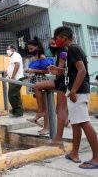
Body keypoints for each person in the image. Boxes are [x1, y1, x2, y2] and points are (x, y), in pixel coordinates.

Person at [50, 26, 98, 169]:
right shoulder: (73, 50)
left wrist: (74, 91)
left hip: (77, 92)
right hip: (75, 90)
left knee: (83, 122)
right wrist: (57, 69)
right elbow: (72, 70)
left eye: (57, 38)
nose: (55, 41)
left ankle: (96, 157)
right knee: (76, 123)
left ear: (64, 38)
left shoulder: (72, 49)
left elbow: (82, 70)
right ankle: (74, 153)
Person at [31, 40, 68, 145]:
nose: (51, 46)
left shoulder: (62, 53)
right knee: (38, 86)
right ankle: (41, 112)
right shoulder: (58, 54)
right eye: (50, 44)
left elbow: (60, 71)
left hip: (63, 82)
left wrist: (52, 69)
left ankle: (58, 136)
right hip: (59, 81)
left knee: (60, 109)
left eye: (53, 43)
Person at [25, 37, 54, 135]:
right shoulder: (33, 58)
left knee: (45, 106)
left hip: (42, 80)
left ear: (37, 47)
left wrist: (33, 70)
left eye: (31, 49)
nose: (30, 51)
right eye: (29, 49)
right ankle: (45, 126)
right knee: (42, 105)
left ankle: (47, 127)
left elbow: (47, 70)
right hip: (35, 81)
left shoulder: (42, 56)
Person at [6, 44, 24, 117]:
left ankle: (17, 111)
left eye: (8, 49)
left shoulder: (16, 55)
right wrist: (7, 71)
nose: (7, 51)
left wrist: (13, 76)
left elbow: (17, 65)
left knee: (11, 95)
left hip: (16, 78)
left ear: (13, 49)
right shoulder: (14, 56)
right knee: (16, 95)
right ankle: (18, 112)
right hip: (14, 78)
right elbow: (13, 66)